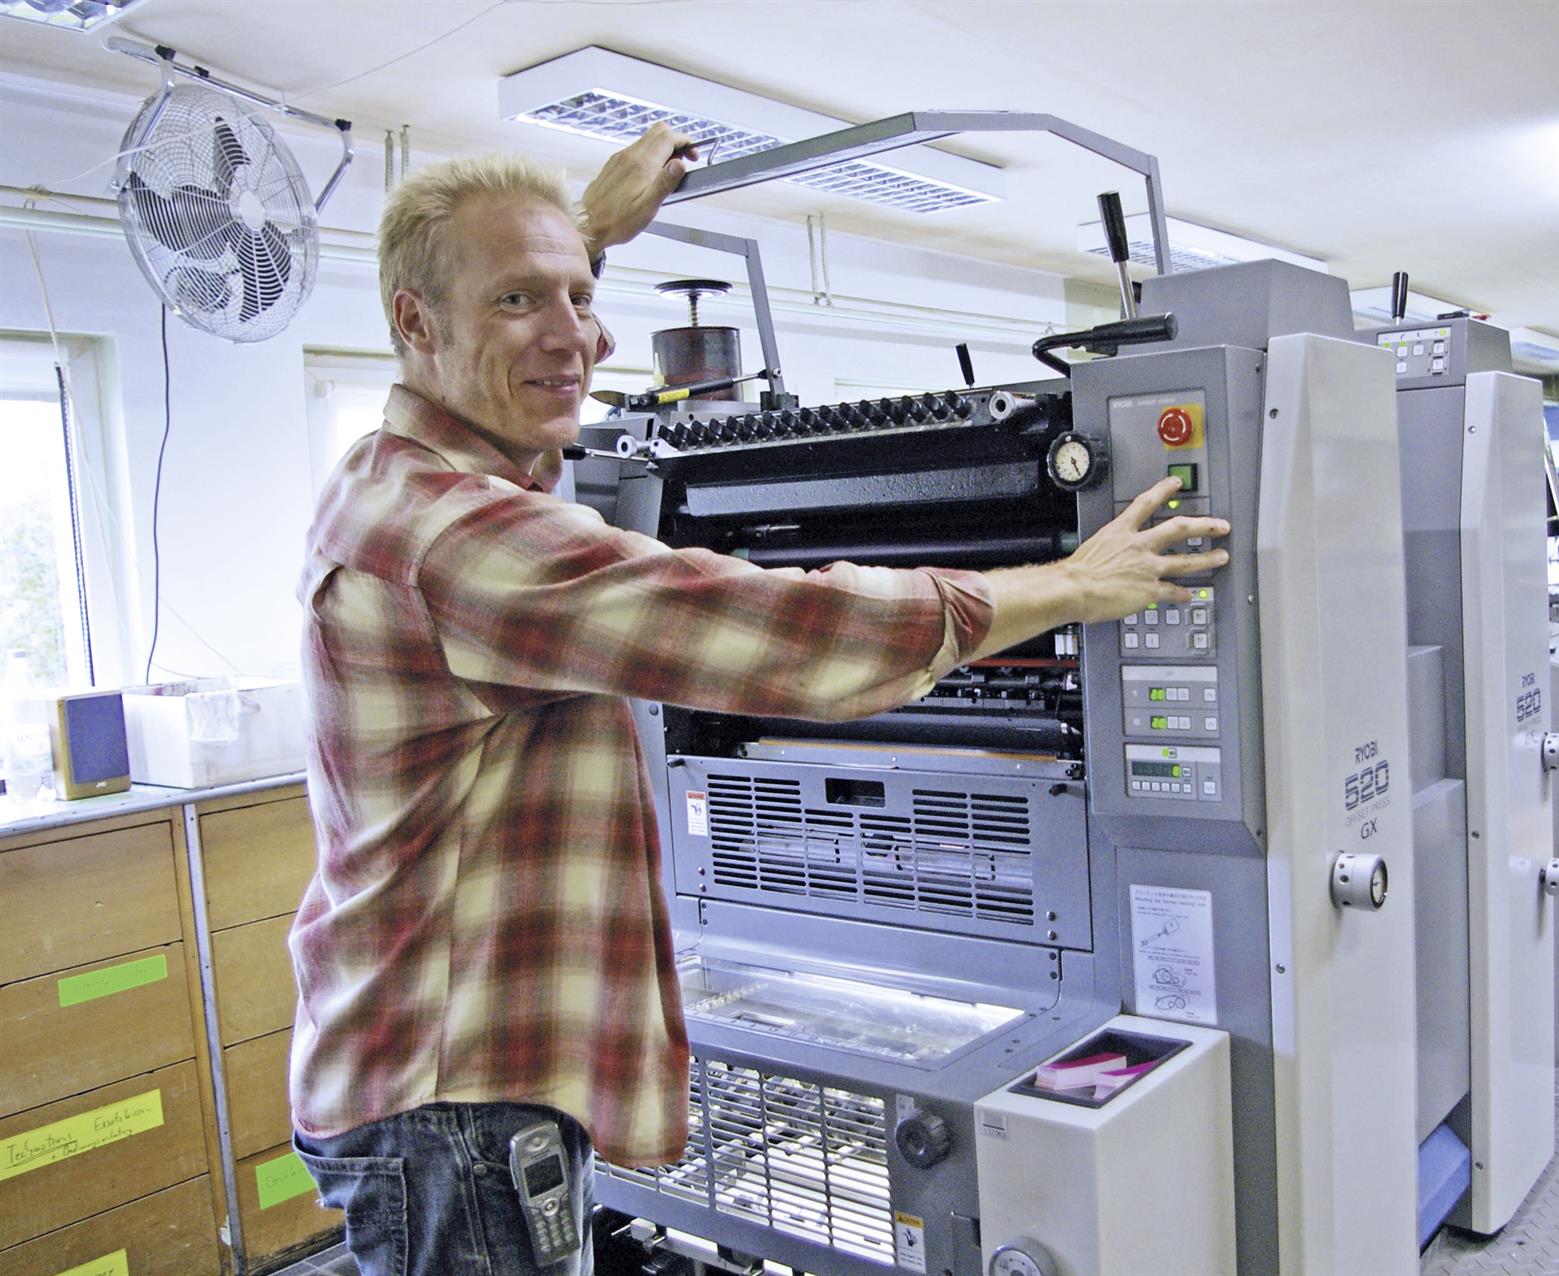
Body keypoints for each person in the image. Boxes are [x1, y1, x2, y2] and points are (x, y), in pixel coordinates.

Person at [288, 121, 1229, 1276]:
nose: (574, 336)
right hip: (459, 1102)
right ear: (412, 324)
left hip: (441, 1074)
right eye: (522, 301)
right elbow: (790, 633)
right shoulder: (457, 536)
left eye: (581, 296)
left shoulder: (391, 474)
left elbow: (495, 300)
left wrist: (579, 233)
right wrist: (1075, 582)